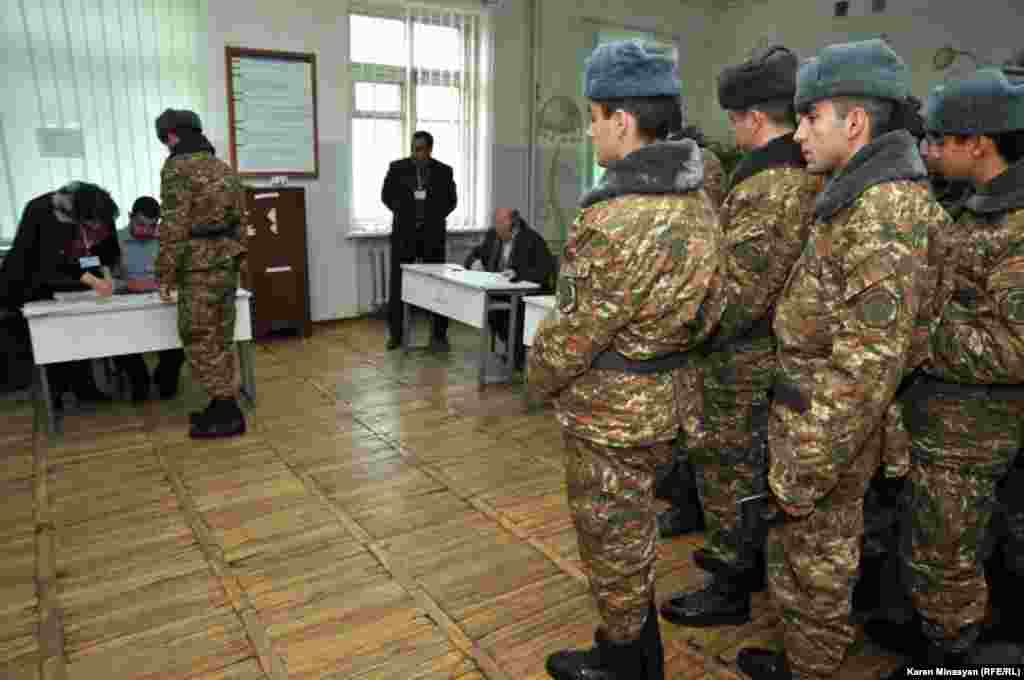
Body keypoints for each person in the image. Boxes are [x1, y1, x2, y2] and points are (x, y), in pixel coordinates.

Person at [734, 40, 949, 680]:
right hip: (814, 411)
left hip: (829, 425)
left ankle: (812, 667)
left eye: (810, 117)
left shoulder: (884, 211)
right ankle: (805, 657)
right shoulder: (854, 196)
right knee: (803, 554)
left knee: (818, 557)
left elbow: (866, 365)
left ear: (854, 123)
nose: (798, 133)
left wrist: (805, 462)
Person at [528, 40, 725, 680]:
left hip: (610, 412)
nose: (590, 130)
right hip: (670, 399)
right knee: (634, 529)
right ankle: (640, 652)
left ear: (622, 120)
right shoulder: (699, 201)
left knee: (611, 537)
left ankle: (625, 660)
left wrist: (537, 378)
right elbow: (715, 309)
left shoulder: (612, 217)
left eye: (594, 116)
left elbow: (574, 333)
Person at [865, 68, 1024, 675]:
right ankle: (932, 634)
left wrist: (917, 335)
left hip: (973, 431)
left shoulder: (1016, 225)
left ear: (978, 144)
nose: (927, 151)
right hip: (940, 419)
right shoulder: (972, 206)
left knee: (947, 558)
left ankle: (952, 659)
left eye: (939, 140)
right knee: (930, 543)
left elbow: (1015, 348)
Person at [660, 45, 820, 629]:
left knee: (731, 470)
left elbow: (740, 297)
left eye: (735, 118)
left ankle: (730, 584)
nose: (732, 129)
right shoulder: (799, 176)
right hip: (765, 354)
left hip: (741, 361)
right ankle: (741, 563)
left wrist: (679, 325)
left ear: (753, 118)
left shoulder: (771, 187)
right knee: (745, 471)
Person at [155, 108, 248, 439]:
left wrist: (165, 274)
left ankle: (226, 411)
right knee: (221, 335)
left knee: (198, 336)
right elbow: (241, 219)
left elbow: (174, 225)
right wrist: (237, 259)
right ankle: (222, 403)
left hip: (196, 266)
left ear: (172, 136)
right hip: (226, 263)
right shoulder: (223, 168)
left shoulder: (177, 167)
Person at [0, 181, 121, 408]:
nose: (97, 228)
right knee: (51, 338)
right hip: (31, 281)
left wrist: (106, 276)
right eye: (91, 224)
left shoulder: (99, 208)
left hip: (72, 280)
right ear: (77, 215)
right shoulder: (40, 211)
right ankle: (54, 394)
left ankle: (84, 387)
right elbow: (49, 262)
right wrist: (94, 281)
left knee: (81, 330)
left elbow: (106, 252)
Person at [381, 131, 458, 352]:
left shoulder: (444, 171)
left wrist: (433, 216)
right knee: (398, 285)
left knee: (438, 285)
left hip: (432, 236)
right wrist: (404, 212)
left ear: (430, 150)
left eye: (421, 149)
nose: (416, 154)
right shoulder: (397, 168)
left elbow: (451, 201)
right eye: (414, 149)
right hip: (404, 235)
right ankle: (396, 335)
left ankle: (439, 335)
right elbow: (386, 196)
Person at [111, 196, 186, 402]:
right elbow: (100, 280)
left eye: (152, 226)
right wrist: (127, 285)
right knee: (118, 341)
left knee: (182, 337)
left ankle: (164, 374)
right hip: (126, 310)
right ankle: (138, 377)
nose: (146, 231)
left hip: (162, 306)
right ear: (130, 217)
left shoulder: (167, 241)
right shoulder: (114, 241)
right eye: (141, 224)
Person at [464, 207, 555, 368]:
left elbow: (545, 269)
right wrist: (474, 262)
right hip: (501, 292)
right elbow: (475, 253)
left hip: (528, 294)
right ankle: (512, 350)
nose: (496, 227)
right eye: (495, 223)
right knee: (488, 308)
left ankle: (516, 355)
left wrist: (517, 273)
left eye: (500, 223)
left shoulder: (531, 239)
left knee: (513, 312)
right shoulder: (493, 236)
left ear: (513, 225)